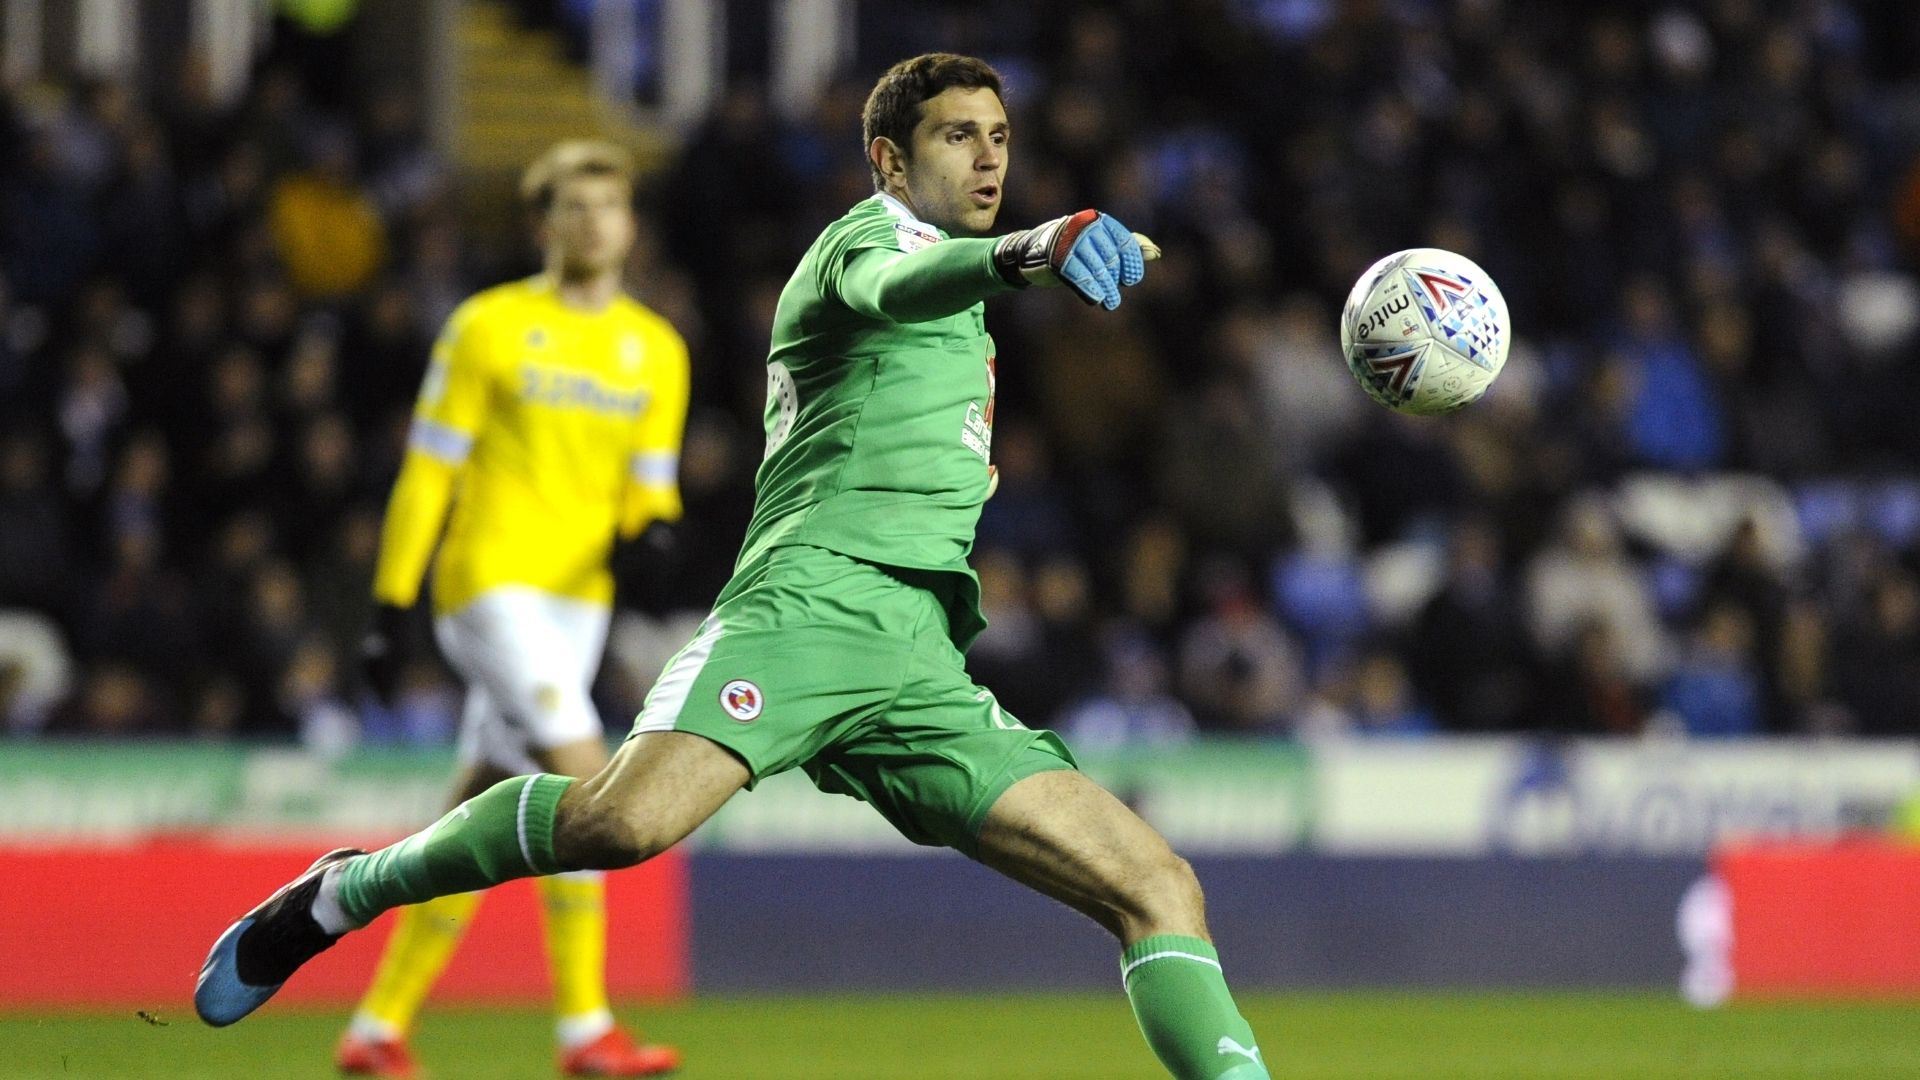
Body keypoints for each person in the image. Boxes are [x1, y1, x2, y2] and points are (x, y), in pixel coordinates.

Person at [198, 54, 1272, 1080]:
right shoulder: (861, 246)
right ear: (891, 162)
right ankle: (343, 892)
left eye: (999, 138)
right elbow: (900, 289)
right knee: (619, 821)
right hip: (805, 607)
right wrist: (1032, 249)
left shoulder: (967, 314)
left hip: (919, 659)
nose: (989, 160)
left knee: (1157, 883)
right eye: (957, 138)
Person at [338, 140, 687, 1077]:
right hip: (487, 585)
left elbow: (649, 490)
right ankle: (585, 1029)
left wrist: (655, 535)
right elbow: (429, 469)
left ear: (630, 224)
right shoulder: (487, 327)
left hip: (580, 605)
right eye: (571, 207)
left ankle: (377, 1025)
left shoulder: (656, 351)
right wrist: (389, 601)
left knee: (483, 811)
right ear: (542, 225)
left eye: (606, 206)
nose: (590, 223)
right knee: (589, 792)